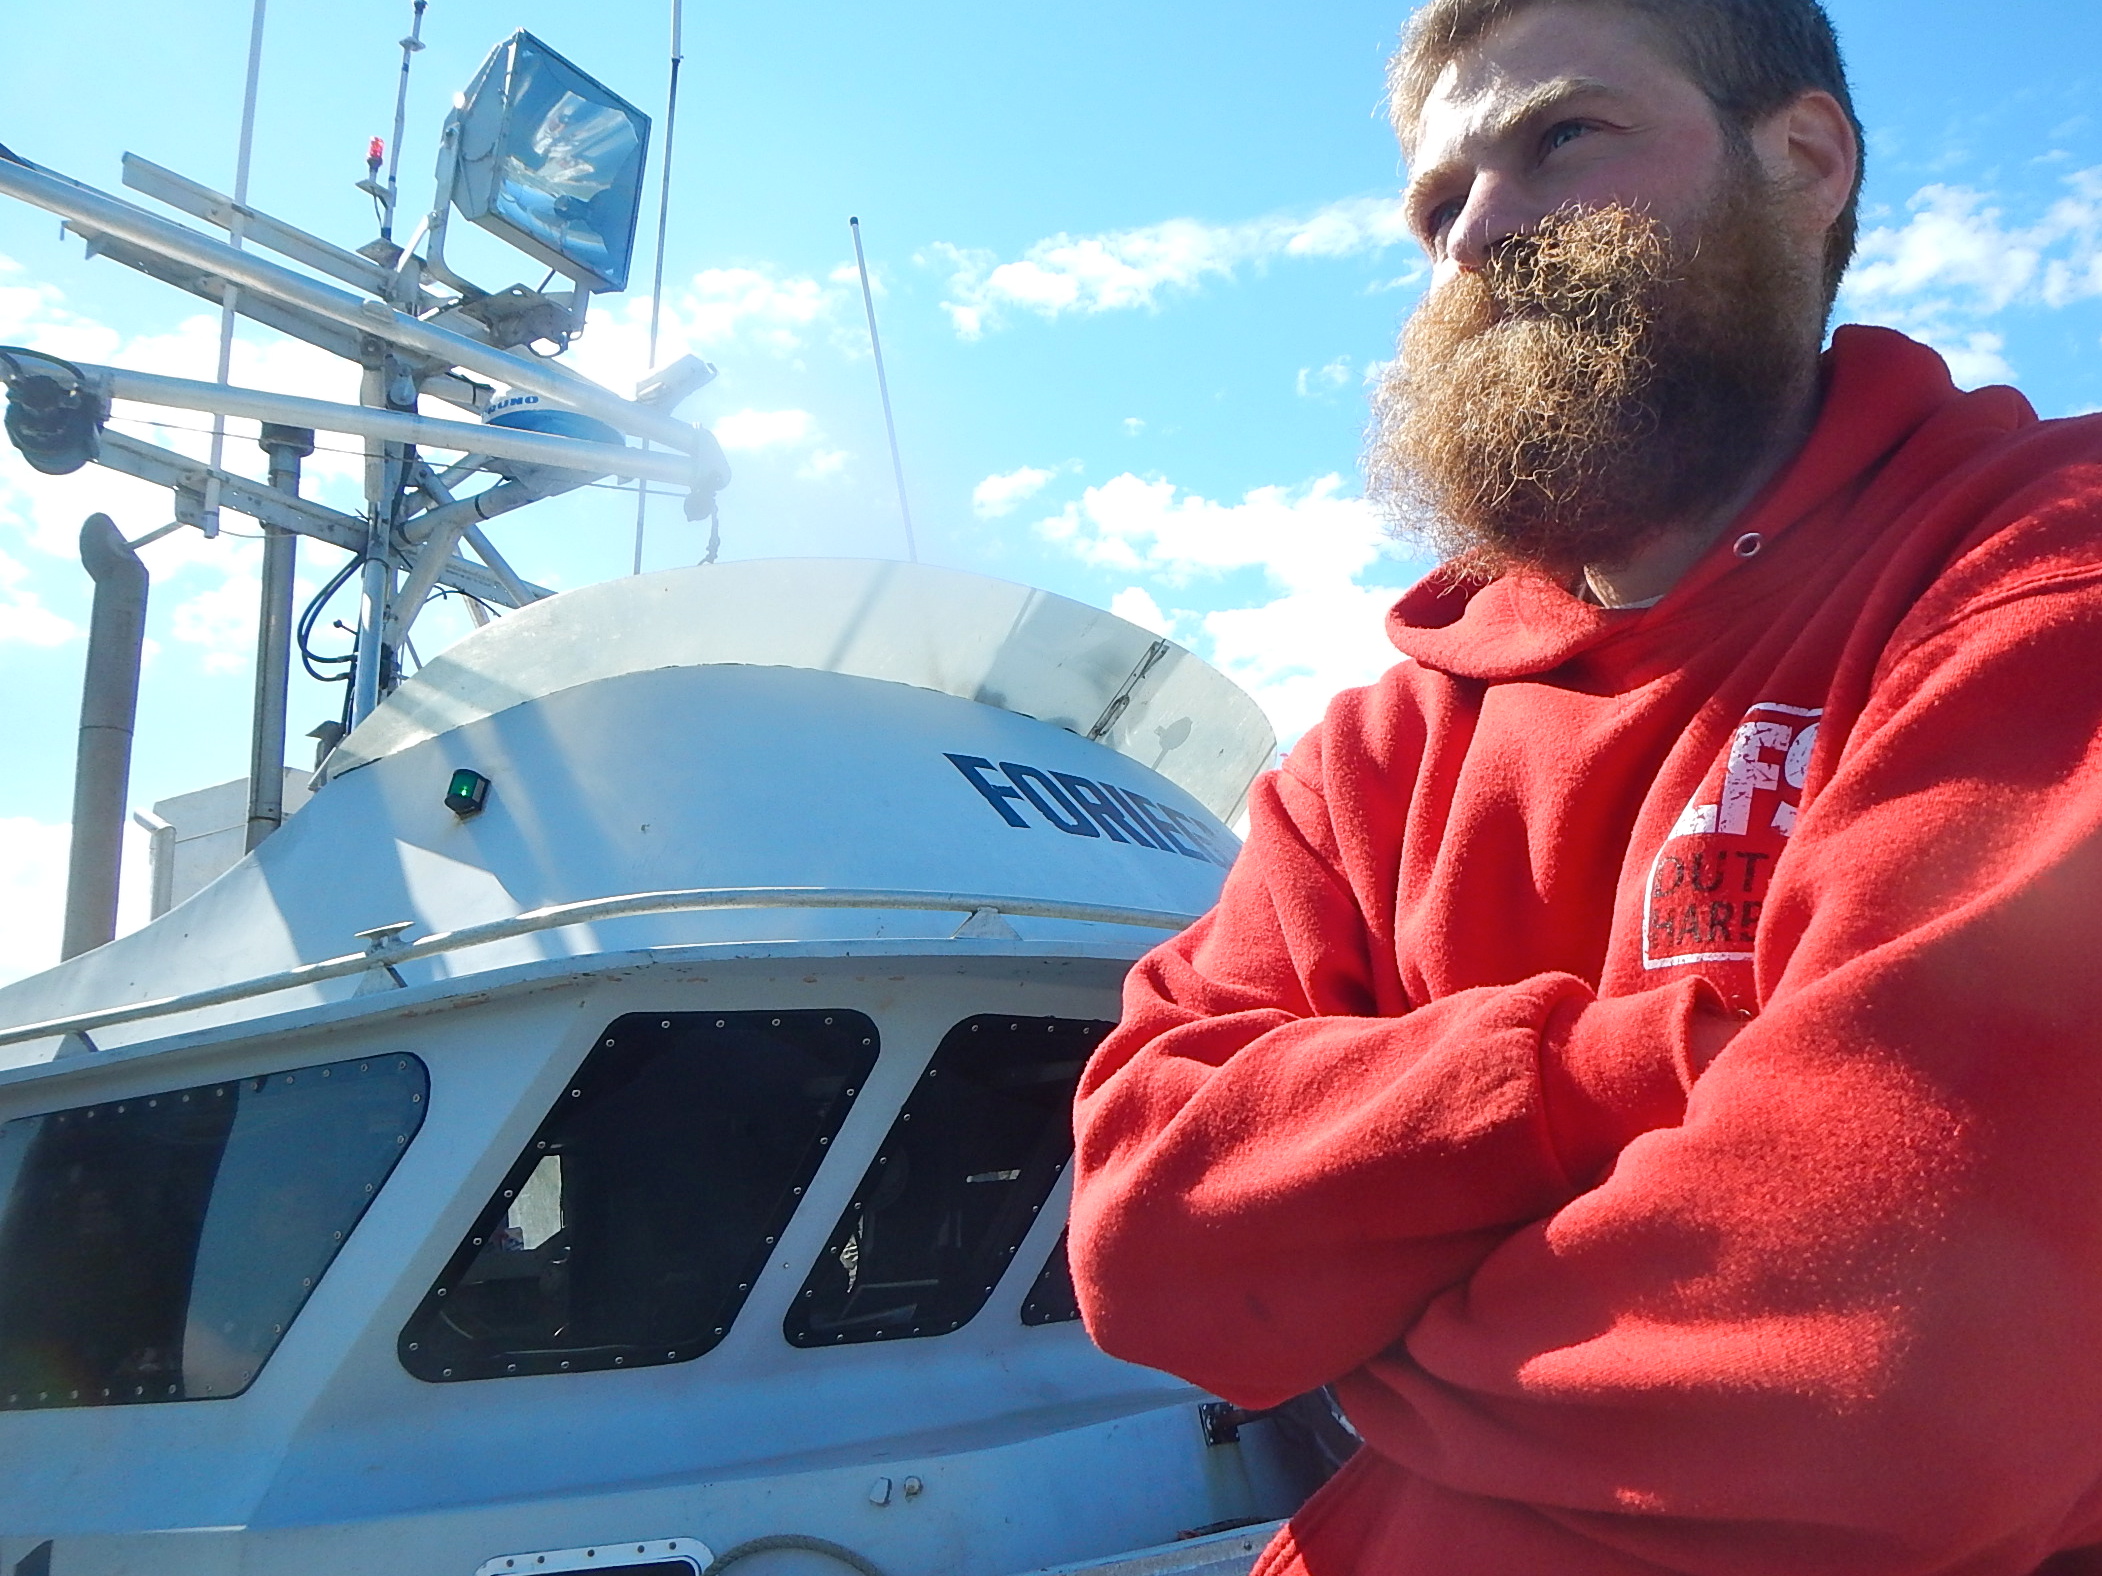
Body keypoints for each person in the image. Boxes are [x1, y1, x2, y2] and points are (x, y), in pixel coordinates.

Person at [1067, 0, 2102, 1572]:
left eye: (1559, 136)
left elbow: (1889, 1368)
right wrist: (1663, 1068)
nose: (1476, 232)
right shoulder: (1367, 755)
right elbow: (1147, 1244)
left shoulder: (2038, 568)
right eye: (1434, 203)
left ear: (1804, 158)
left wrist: (1382, 1358)